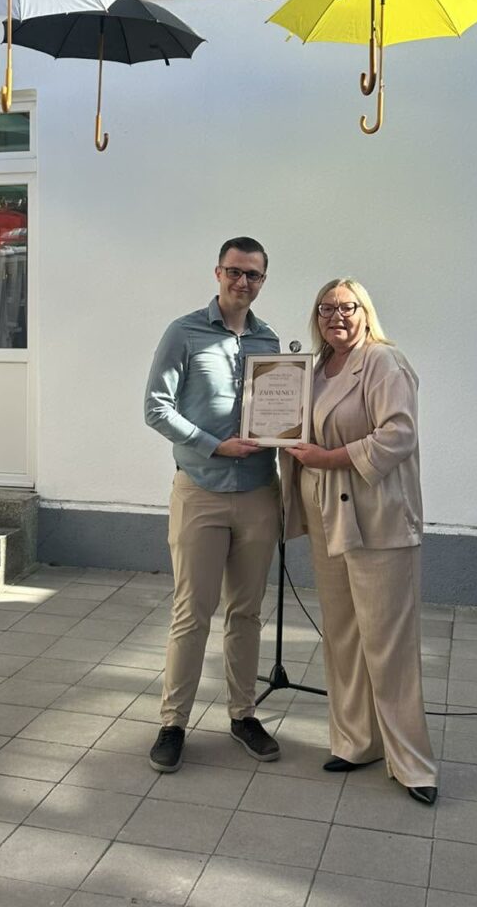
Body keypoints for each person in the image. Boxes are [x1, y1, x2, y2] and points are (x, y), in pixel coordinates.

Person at [281, 278, 438, 805]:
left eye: (346, 307)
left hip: (377, 517)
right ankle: (356, 741)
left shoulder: (383, 362)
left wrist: (328, 458)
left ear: (365, 312)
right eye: (325, 309)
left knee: (388, 641)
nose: (336, 317)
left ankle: (412, 762)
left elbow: (399, 434)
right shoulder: (314, 368)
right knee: (343, 632)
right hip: (326, 513)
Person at [144, 237, 283, 772]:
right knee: (191, 613)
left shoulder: (270, 341)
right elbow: (156, 408)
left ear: (263, 281)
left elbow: (280, 411)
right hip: (200, 491)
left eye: (253, 275)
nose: (242, 282)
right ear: (218, 272)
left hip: (258, 494)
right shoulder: (183, 333)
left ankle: (243, 715)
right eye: (234, 271)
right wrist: (214, 445)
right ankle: (173, 723)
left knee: (246, 613)